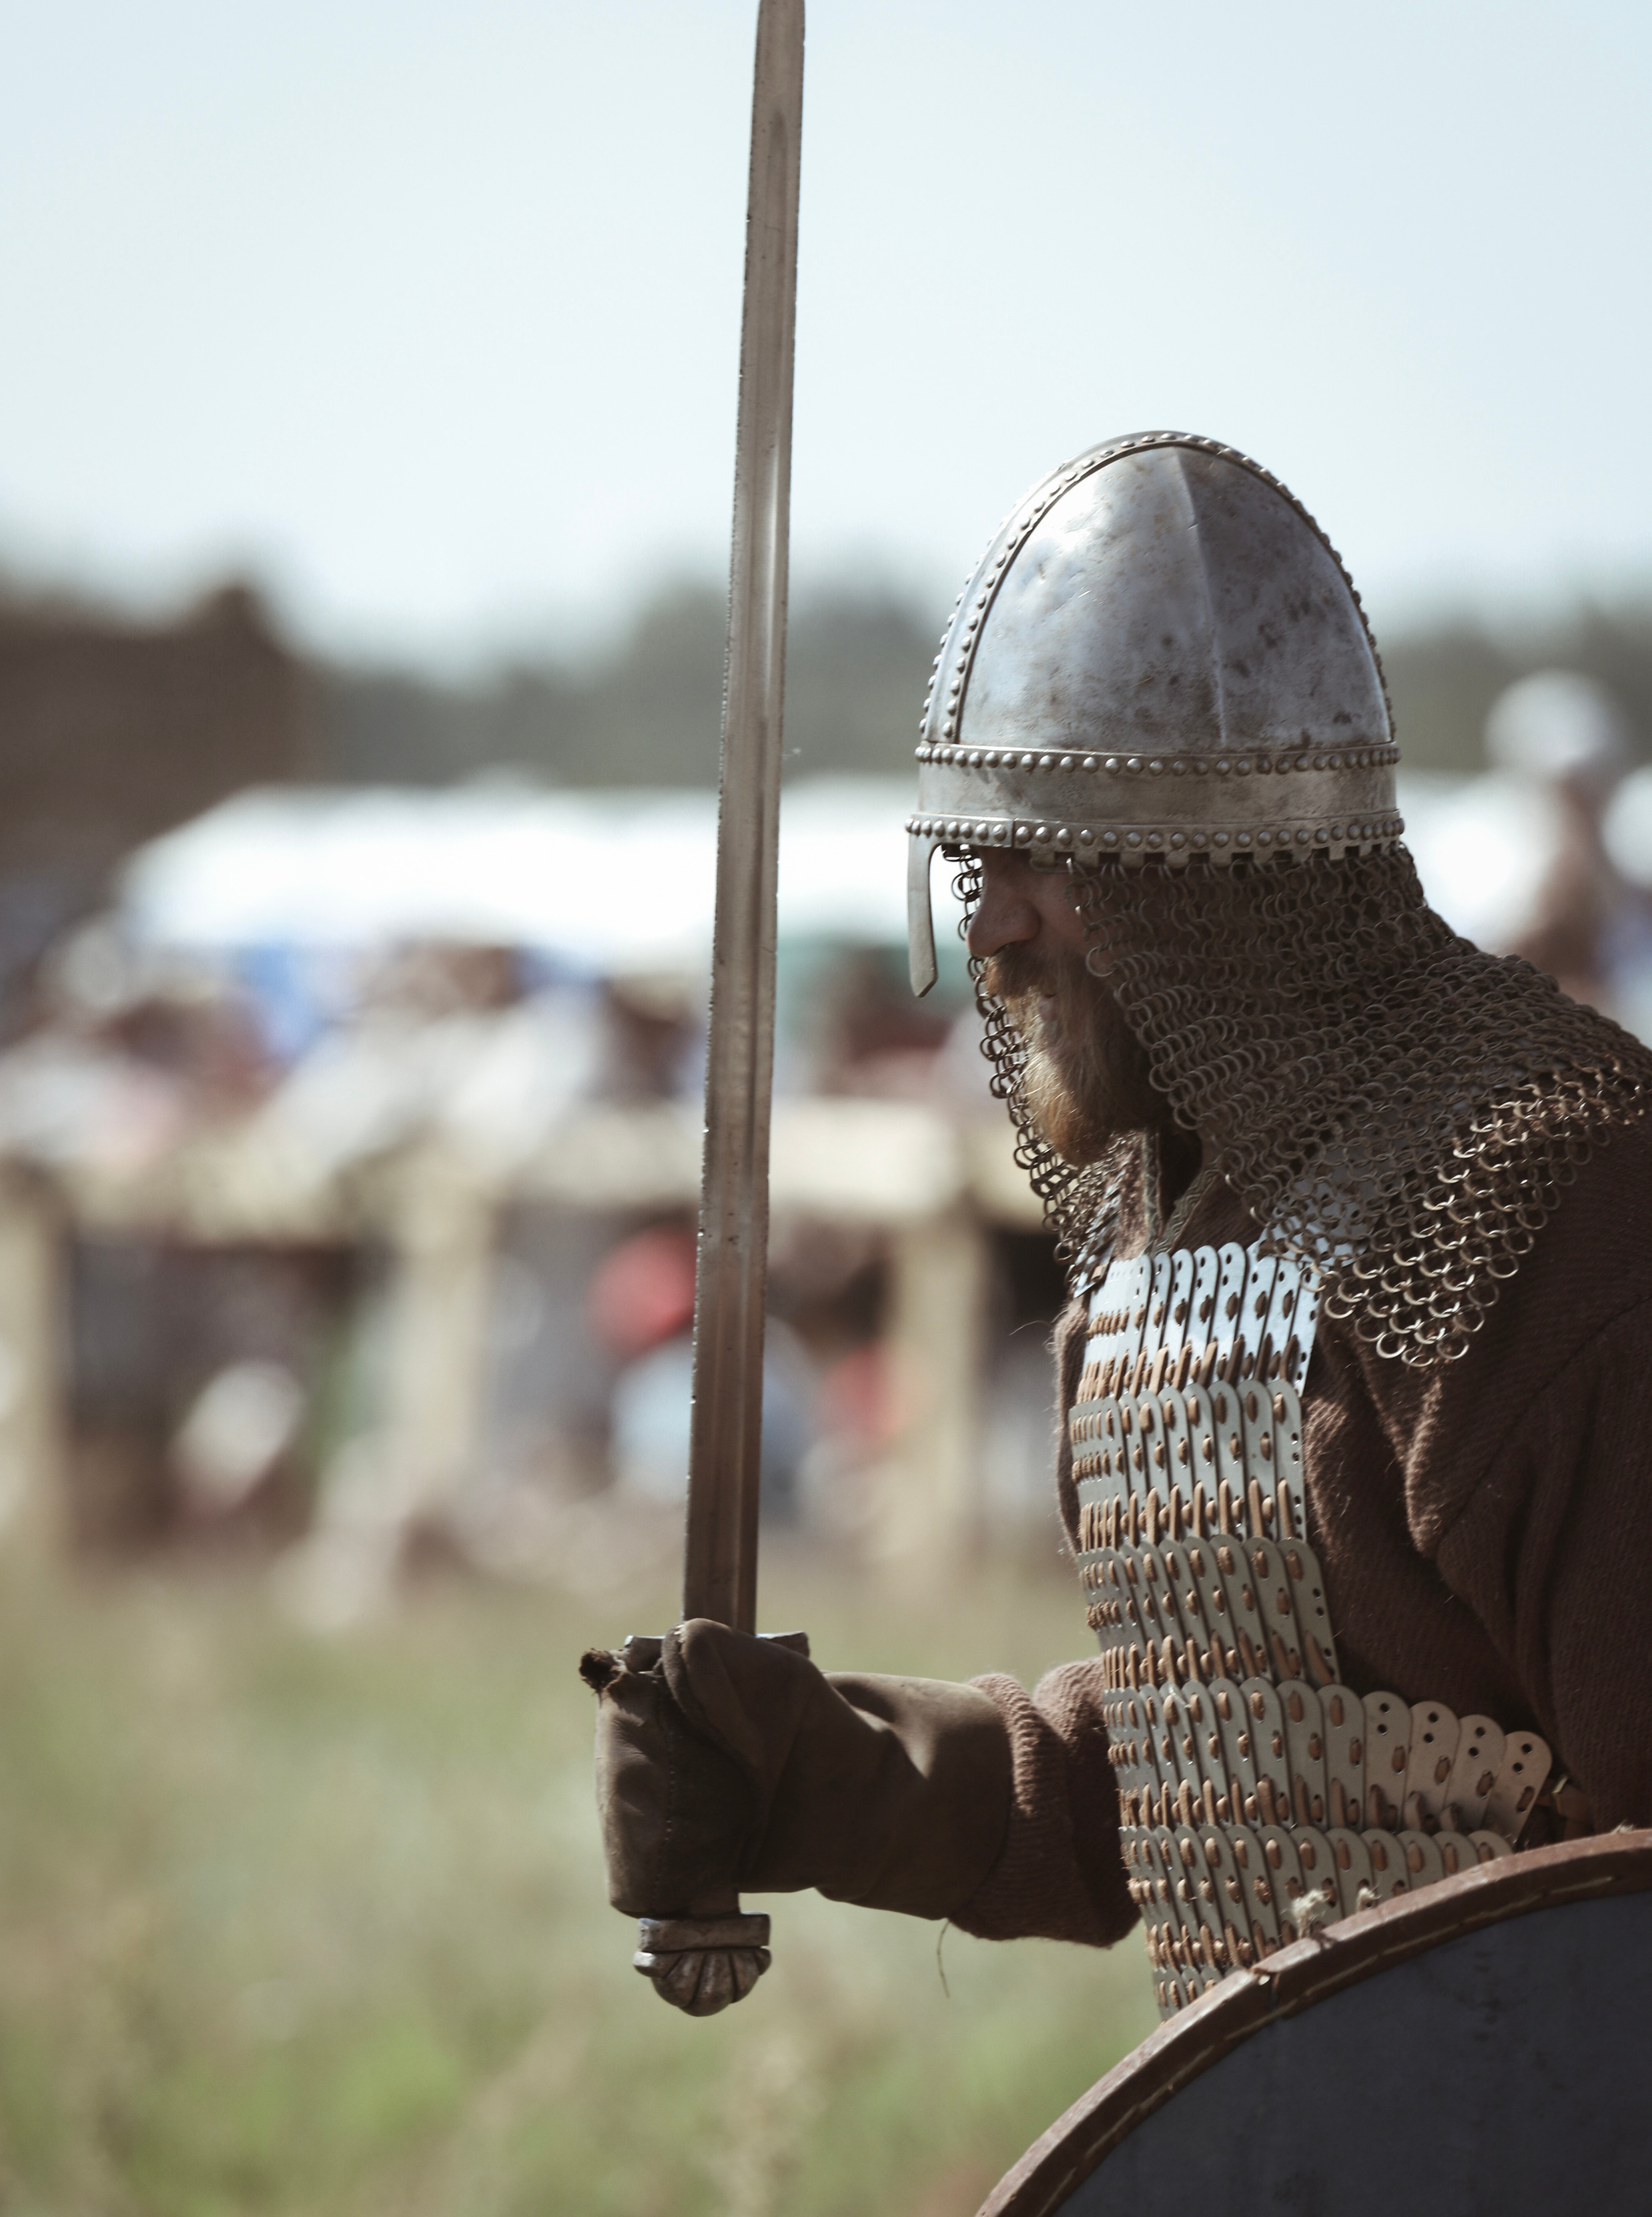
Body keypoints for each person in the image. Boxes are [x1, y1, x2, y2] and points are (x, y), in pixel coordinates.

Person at [582, 432, 1652, 2015]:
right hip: (1322, 2173)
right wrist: (820, 1767)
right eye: (973, 854)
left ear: (1227, 859)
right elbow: (1206, 1776)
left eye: (1045, 852)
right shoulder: (1176, 1235)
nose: (991, 918)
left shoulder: (1548, 1204)